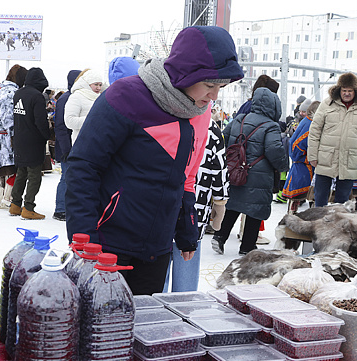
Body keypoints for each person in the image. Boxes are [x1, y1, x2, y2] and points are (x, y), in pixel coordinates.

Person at [65, 25, 243, 295]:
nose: (214, 95)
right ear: (186, 73)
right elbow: (84, 167)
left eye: (221, 86)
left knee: (147, 318)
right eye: (210, 85)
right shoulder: (125, 96)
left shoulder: (195, 109)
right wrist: (84, 240)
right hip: (109, 244)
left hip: (156, 249)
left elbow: (182, 176)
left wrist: (187, 228)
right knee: (105, 318)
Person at [211, 87, 288, 256]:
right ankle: (247, 246)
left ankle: (220, 236)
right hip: (259, 175)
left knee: (233, 204)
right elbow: (274, 150)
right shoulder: (271, 126)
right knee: (255, 209)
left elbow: (223, 138)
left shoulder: (240, 119)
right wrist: (283, 166)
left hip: (235, 171)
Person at [165, 110, 227, 292]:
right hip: (195, 210)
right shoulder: (210, 127)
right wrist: (220, 201)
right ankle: (184, 304)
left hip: (163, 207)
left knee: (157, 273)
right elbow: (219, 169)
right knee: (187, 272)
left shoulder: (162, 116)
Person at [307, 72, 357, 206]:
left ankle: (338, 220)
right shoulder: (327, 104)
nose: (347, 94)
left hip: (349, 160)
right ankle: (320, 219)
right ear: (339, 90)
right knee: (320, 198)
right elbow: (315, 131)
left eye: (350, 91)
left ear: (355, 91)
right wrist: (312, 156)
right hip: (325, 158)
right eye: (344, 90)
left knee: (343, 200)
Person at [9, 67, 50, 220]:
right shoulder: (37, 96)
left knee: (21, 172)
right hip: (33, 141)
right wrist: (47, 136)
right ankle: (28, 208)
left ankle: (15, 205)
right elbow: (40, 121)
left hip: (19, 139)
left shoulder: (18, 94)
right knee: (34, 175)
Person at [0, 64, 26, 209]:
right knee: (10, 168)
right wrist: (15, 135)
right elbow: (8, 119)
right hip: (7, 137)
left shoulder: (1, 91)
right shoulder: (12, 93)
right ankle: (7, 199)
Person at [52, 69, 80, 221]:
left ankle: (67, 208)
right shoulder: (66, 99)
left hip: (71, 146)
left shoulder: (74, 97)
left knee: (71, 178)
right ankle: (60, 209)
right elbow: (61, 127)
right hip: (67, 147)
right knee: (66, 177)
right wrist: (66, 149)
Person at [282, 98, 318, 212]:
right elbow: (297, 145)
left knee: (298, 200)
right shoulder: (310, 124)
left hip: (301, 165)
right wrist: (308, 157)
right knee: (305, 198)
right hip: (304, 166)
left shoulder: (305, 121)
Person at [64, 68, 105, 144]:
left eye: (100, 85)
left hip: (99, 141)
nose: (98, 88)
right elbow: (69, 121)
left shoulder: (100, 97)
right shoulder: (76, 96)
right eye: (95, 84)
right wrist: (93, 120)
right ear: (87, 84)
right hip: (82, 142)